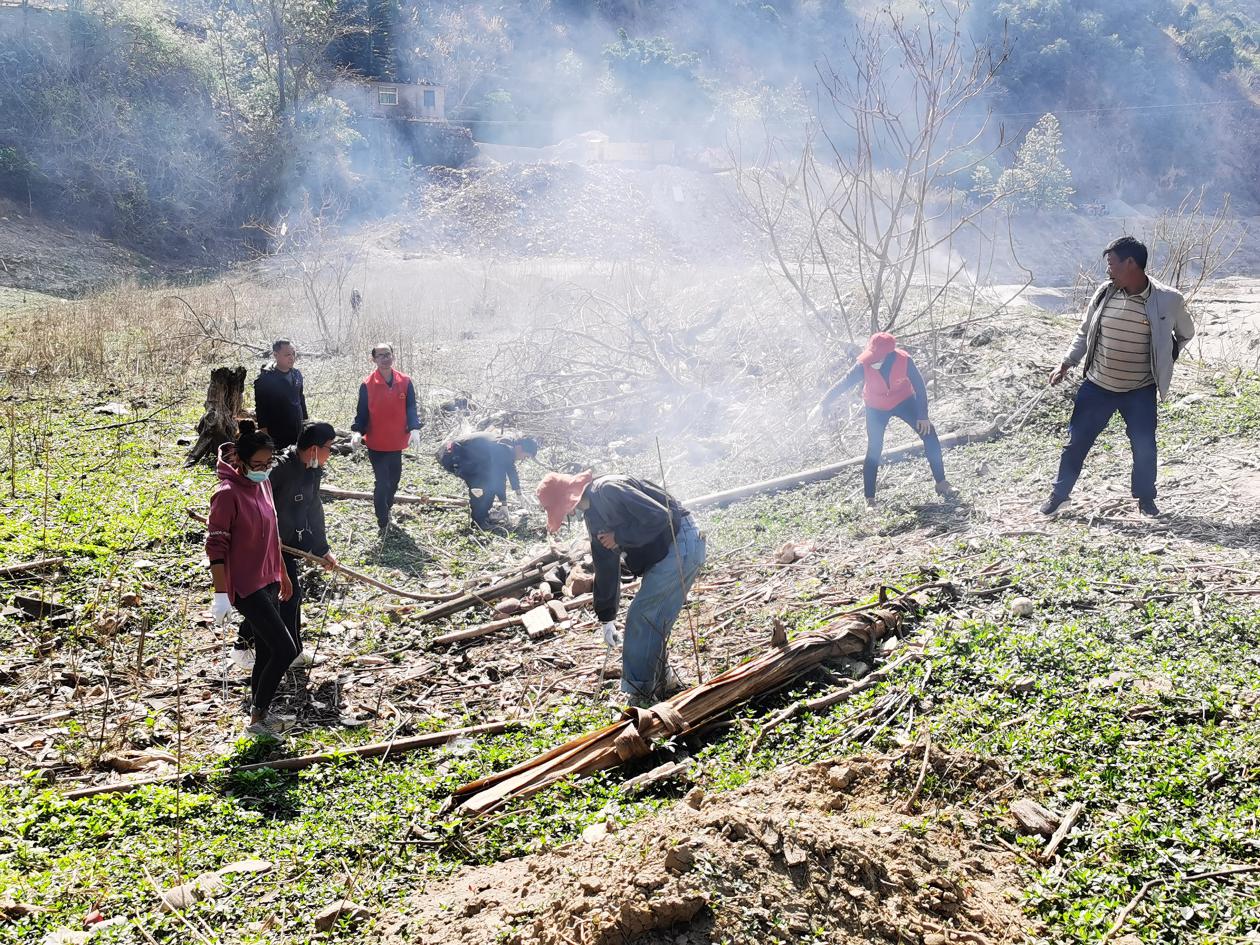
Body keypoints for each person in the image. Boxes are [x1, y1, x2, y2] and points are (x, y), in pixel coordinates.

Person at [1043, 236, 1195, 518]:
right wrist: (1066, 363)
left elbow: (1186, 333)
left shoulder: (1168, 300)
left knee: (1144, 445)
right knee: (1076, 442)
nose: (1108, 270)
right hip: (1098, 385)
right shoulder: (1104, 293)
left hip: (1140, 389)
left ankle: (1146, 500)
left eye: (1111, 264)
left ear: (1131, 263)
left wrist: (1167, 355)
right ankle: (1059, 496)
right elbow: (1084, 331)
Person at [535, 471, 706, 707]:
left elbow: (660, 515)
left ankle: (641, 694)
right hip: (667, 550)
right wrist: (606, 616)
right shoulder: (593, 515)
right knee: (654, 618)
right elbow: (605, 562)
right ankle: (663, 680)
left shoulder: (609, 489)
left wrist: (620, 536)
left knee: (643, 616)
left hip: (681, 542)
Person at [206, 420, 297, 737]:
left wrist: (282, 574)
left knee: (268, 650)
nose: (263, 469)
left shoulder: (264, 483)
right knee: (286, 650)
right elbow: (215, 546)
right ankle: (257, 717)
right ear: (240, 462)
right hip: (245, 585)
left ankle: (260, 719)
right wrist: (220, 595)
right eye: (256, 465)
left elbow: (273, 534)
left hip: (269, 577)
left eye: (267, 463)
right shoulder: (227, 494)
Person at [229, 421, 338, 672]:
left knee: (285, 597)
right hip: (264, 545)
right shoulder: (278, 470)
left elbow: (313, 510)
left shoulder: (312, 471)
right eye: (328, 448)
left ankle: (293, 649)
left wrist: (321, 549)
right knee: (277, 597)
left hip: (287, 544)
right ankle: (243, 647)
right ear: (313, 449)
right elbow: (250, 500)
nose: (329, 455)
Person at [810, 332, 957, 507]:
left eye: (877, 357)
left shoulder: (904, 360)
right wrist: (822, 404)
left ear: (889, 355)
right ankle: (870, 500)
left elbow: (920, 387)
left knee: (930, 434)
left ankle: (942, 483)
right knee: (874, 448)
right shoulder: (863, 365)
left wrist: (922, 415)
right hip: (876, 407)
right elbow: (843, 383)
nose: (873, 360)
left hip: (904, 400)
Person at [349, 342, 421, 534]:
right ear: (374, 359)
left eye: (387, 354)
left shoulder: (405, 381)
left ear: (393, 356)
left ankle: (387, 509)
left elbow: (411, 407)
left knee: (395, 481)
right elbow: (362, 412)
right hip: (377, 443)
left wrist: (414, 428)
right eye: (380, 355)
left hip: (397, 442)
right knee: (382, 482)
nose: (385, 358)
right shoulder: (367, 384)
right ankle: (382, 521)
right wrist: (357, 431)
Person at [437, 432, 539, 531]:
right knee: (484, 485)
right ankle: (479, 522)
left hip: (459, 455)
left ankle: (484, 516)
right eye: (525, 456)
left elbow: (510, 468)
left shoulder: (508, 445)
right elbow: (499, 476)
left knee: (489, 482)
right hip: (451, 456)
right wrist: (504, 503)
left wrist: (518, 492)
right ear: (520, 448)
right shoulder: (504, 447)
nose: (523, 459)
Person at [253, 339, 308, 451]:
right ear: (276, 355)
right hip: (278, 431)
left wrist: (306, 422)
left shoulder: (296, 374)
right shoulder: (266, 379)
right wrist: (264, 432)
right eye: (287, 354)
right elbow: (261, 408)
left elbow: (301, 399)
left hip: (297, 426)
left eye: (293, 353)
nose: (292, 357)